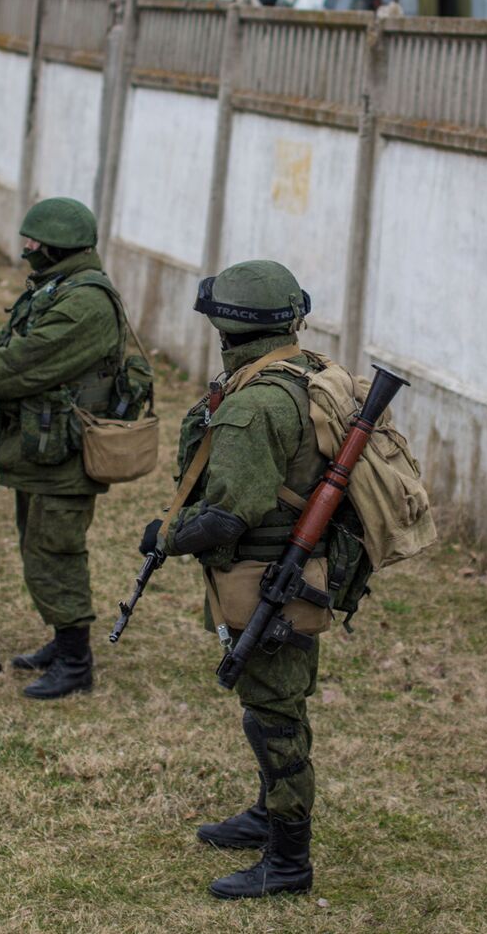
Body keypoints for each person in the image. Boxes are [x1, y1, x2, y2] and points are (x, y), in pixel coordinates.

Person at [163, 261, 328, 899]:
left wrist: (167, 538)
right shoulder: (305, 373)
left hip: (267, 578)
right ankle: (268, 814)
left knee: (273, 716)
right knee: (276, 704)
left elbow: (229, 514)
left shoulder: (252, 405)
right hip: (294, 568)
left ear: (226, 329)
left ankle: (288, 861)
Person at [0, 198, 132, 700]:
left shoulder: (85, 302)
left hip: (68, 447)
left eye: (34, 244)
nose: (26, 251)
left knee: (55, 549)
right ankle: (61, 641)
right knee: (37, 544)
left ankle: (75, 662)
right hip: (44, 446)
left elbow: (31, 363)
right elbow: (12, 341)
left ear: (58, 247)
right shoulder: (54, 286)